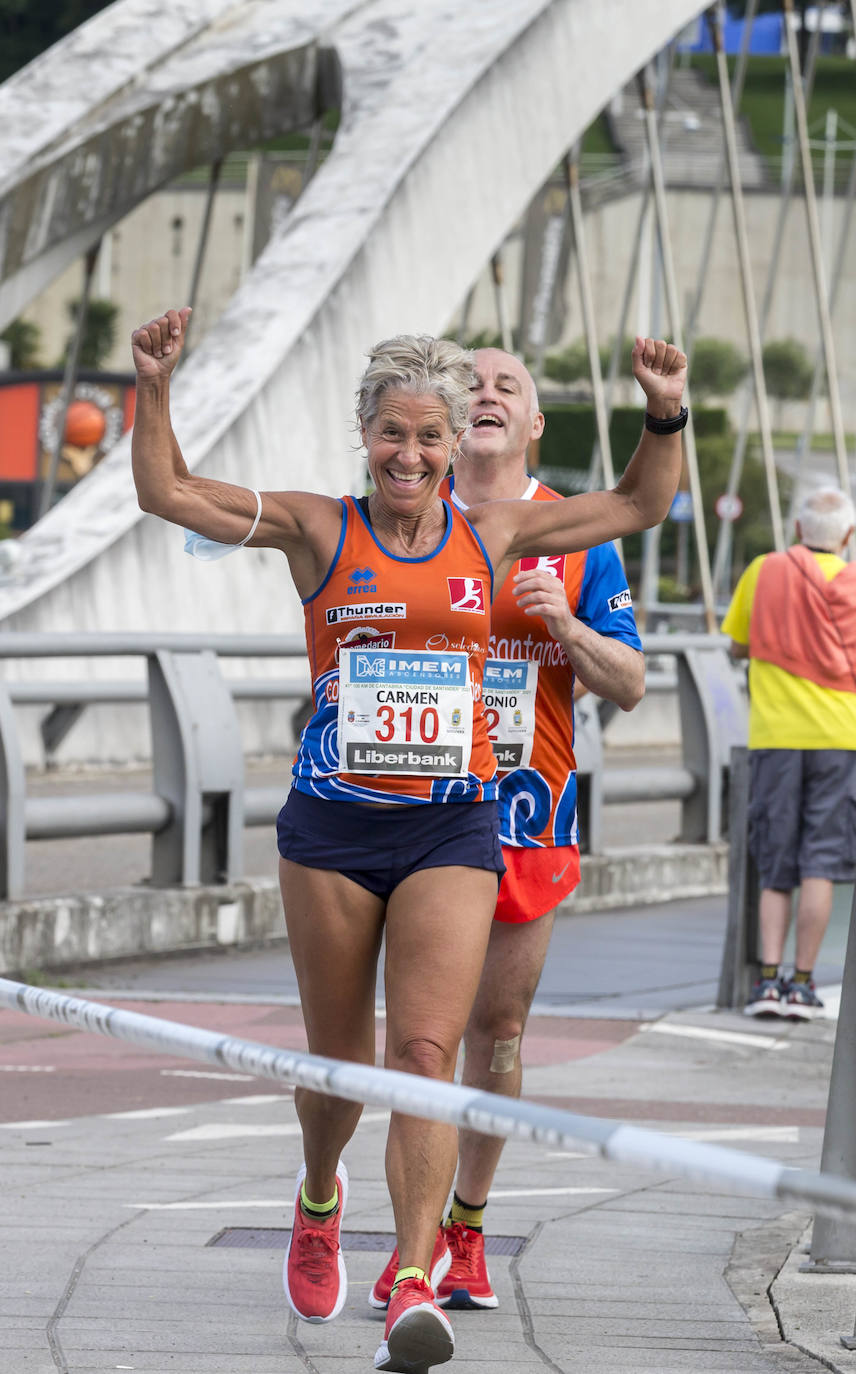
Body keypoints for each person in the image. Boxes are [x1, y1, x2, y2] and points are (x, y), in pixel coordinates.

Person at [130, 307, 687, 1374]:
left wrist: (664, 415)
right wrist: (155, 386)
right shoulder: (315, 529)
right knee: (340, 1068)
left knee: (426, 1058)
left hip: (453, 823)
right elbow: (169, 494)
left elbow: (633, 503)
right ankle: (318, 1194)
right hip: (333, 832)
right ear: (365, 433)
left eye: (432, 437)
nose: (414, 455)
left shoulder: (496, 533)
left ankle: (416, 1279)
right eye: (394, 433)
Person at [369, 347, 645, 1314]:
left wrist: (566, 627)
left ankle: (468, 1226)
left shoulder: (576, 533)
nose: (487, 395)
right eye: (473, 385)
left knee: (500, 1030)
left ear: (532, 426)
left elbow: (633, 683)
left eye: (509, 388)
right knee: (420, 1038)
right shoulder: (405, 516)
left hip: (529, 815)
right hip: (418, 809)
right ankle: (409, 1250)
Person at [722, 486, 856, 1021]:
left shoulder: (765, 571)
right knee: (821, 862)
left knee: (776, 858)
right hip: (841, 741)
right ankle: (803, 984)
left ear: (798, 531)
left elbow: (737, 645)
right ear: (848, 537)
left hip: (776, 737)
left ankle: (767, 982)